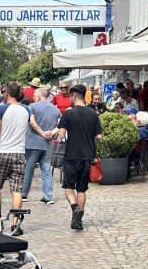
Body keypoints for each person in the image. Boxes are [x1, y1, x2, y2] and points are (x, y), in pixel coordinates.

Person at [0, 81, 30, 236]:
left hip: (2, 153)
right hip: (19, 154)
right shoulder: (26, 110)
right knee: (17, 190)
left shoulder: (1, 109)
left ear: (7, 93)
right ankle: (15, 225)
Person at [57, 84, 102, 231]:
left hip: (72, 155)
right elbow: (99, 136)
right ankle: (79, 221)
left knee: (69, 188)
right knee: (81, 189)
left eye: (70, 96)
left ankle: (75, 209)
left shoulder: (68, 114)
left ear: (74, 96)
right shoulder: (93, 114)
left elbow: (61, 135)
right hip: (88, 156)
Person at [22, 88, 61, 204]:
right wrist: (51, 133)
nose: (33, 97)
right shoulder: (56, 109)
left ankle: (24, 194)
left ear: (38, 96)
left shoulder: (32, 106)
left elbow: (32, 122)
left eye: (34, 95)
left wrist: (42, 133)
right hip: (49, 143)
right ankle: (48, 196)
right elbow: (60, 125)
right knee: (46, 170)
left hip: (33, 142)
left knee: (29, 169)